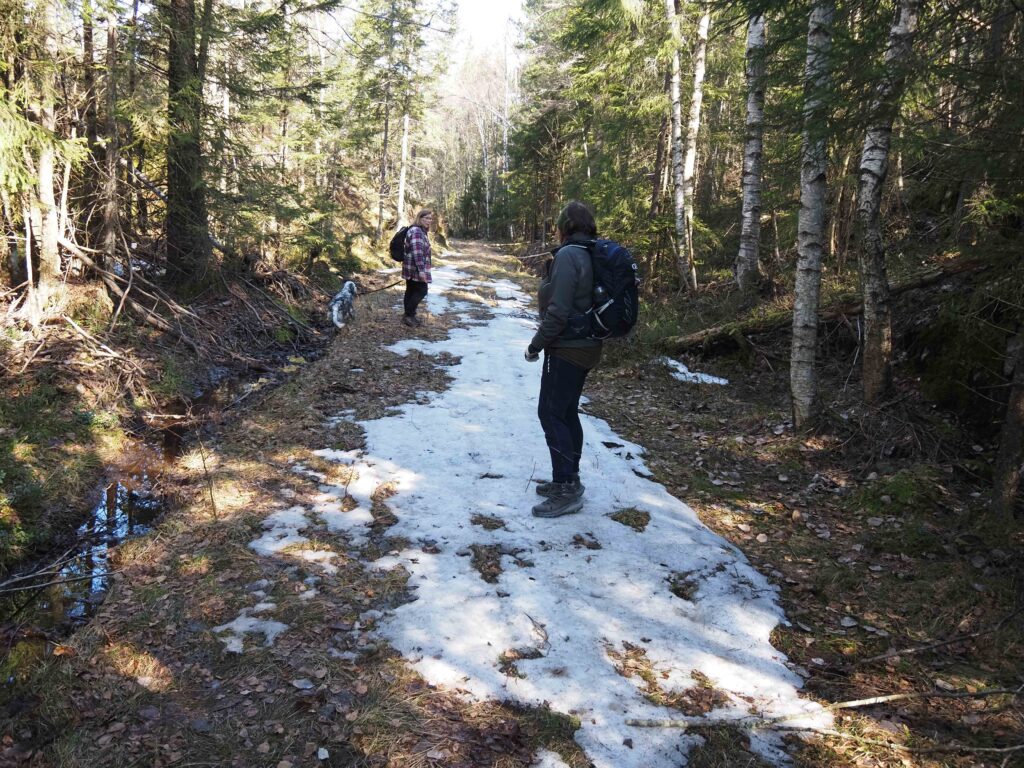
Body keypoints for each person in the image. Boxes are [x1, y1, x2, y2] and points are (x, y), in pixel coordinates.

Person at [525, 201, 603, 518]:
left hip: (568, 347)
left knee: (550, 413)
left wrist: (535, 345)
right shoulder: (589, 251)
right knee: (567, 412)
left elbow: (558, 312)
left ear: (565, 226)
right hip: (587, 346)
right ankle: (569, 478)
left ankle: (566, 488)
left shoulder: (570, 255)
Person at [402, 209, 434, 327]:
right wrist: (421, 270)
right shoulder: (416, 231)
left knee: (411, 290)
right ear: (419, 218)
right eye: (426, 218)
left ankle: (408, 316)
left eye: (430, 219)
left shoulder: (419, 231)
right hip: (414, 268)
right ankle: (409, 315)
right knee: (421, 290)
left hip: (411, 266)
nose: (429, 221)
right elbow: (417, 252)